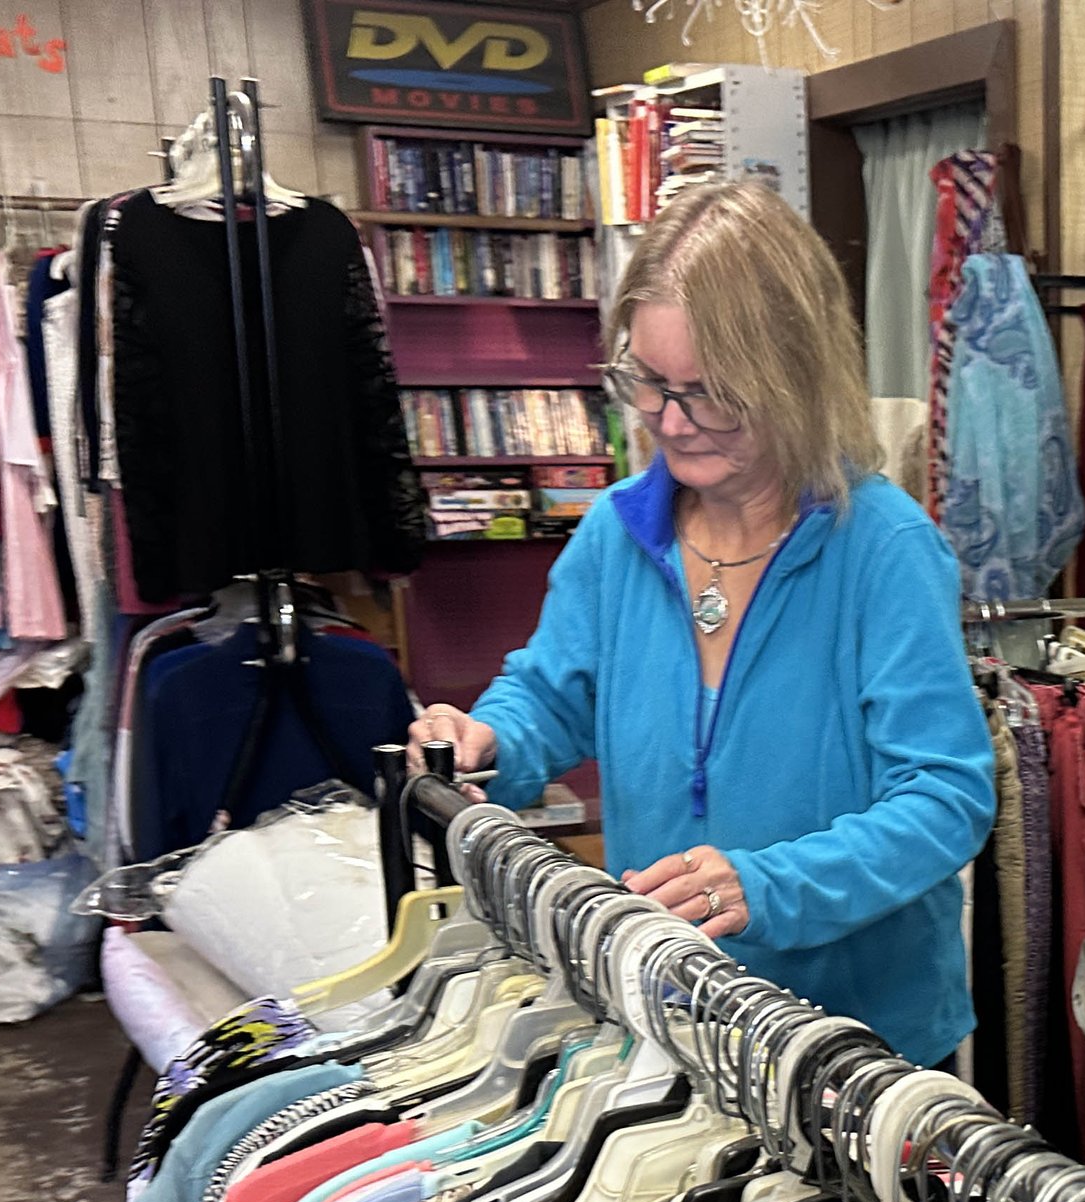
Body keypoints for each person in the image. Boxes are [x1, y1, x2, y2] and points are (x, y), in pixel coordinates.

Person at [406, 181, 996, 1069]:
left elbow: (945, 801)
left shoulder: (886, 551)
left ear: (793, 375)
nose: (670, 422)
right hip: (670, 1010)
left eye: (709, 392)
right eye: (648, 382)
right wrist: (492, 738)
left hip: (859, 1043)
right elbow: (553, 694)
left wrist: (767, 885)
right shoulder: (614, 532)